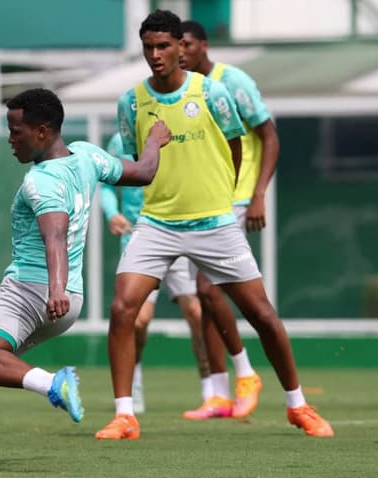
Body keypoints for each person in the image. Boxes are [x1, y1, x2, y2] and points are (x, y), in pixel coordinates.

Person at [0, 88, 172, 469]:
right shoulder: (88, 155)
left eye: (16, 131)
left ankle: (52, 384)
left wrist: (54, 288)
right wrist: (156, 142)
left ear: (43, 132)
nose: (11, 139)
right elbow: (144, 172)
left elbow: (54, 235)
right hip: (67, 299)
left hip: (31, 291)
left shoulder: (41, 181)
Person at [95, 10, 333, 440]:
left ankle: (298, 405)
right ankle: (125, 415)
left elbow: (236, 148)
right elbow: (136, 163)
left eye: (164, 45)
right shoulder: (130, 102)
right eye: (148, 47)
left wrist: (221, 197)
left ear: (179, 46)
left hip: (214, 222)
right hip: (157, 223)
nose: (156, 55)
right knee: (122, 309)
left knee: (261, 313)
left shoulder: (213, 92)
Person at [178, 19, 281, 420]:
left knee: (207, 290)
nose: (180, 52)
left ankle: (245, 373)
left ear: (203, 45)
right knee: (207, 299)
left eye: (186, 44)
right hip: (202, 203)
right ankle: (219, 393)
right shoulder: (182, 90)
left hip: (236, 199)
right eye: (176, 45)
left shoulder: (232, 80)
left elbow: (269, 135)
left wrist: (258, 195)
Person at [99, 133, 210, 415]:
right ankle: (133, 385)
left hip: (179, 233)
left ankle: (211, 390)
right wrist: (112, 213)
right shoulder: (119, 142)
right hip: (141, 239)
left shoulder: (179, 135)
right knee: (138, 321)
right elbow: (106, 186)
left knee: (197, 313)